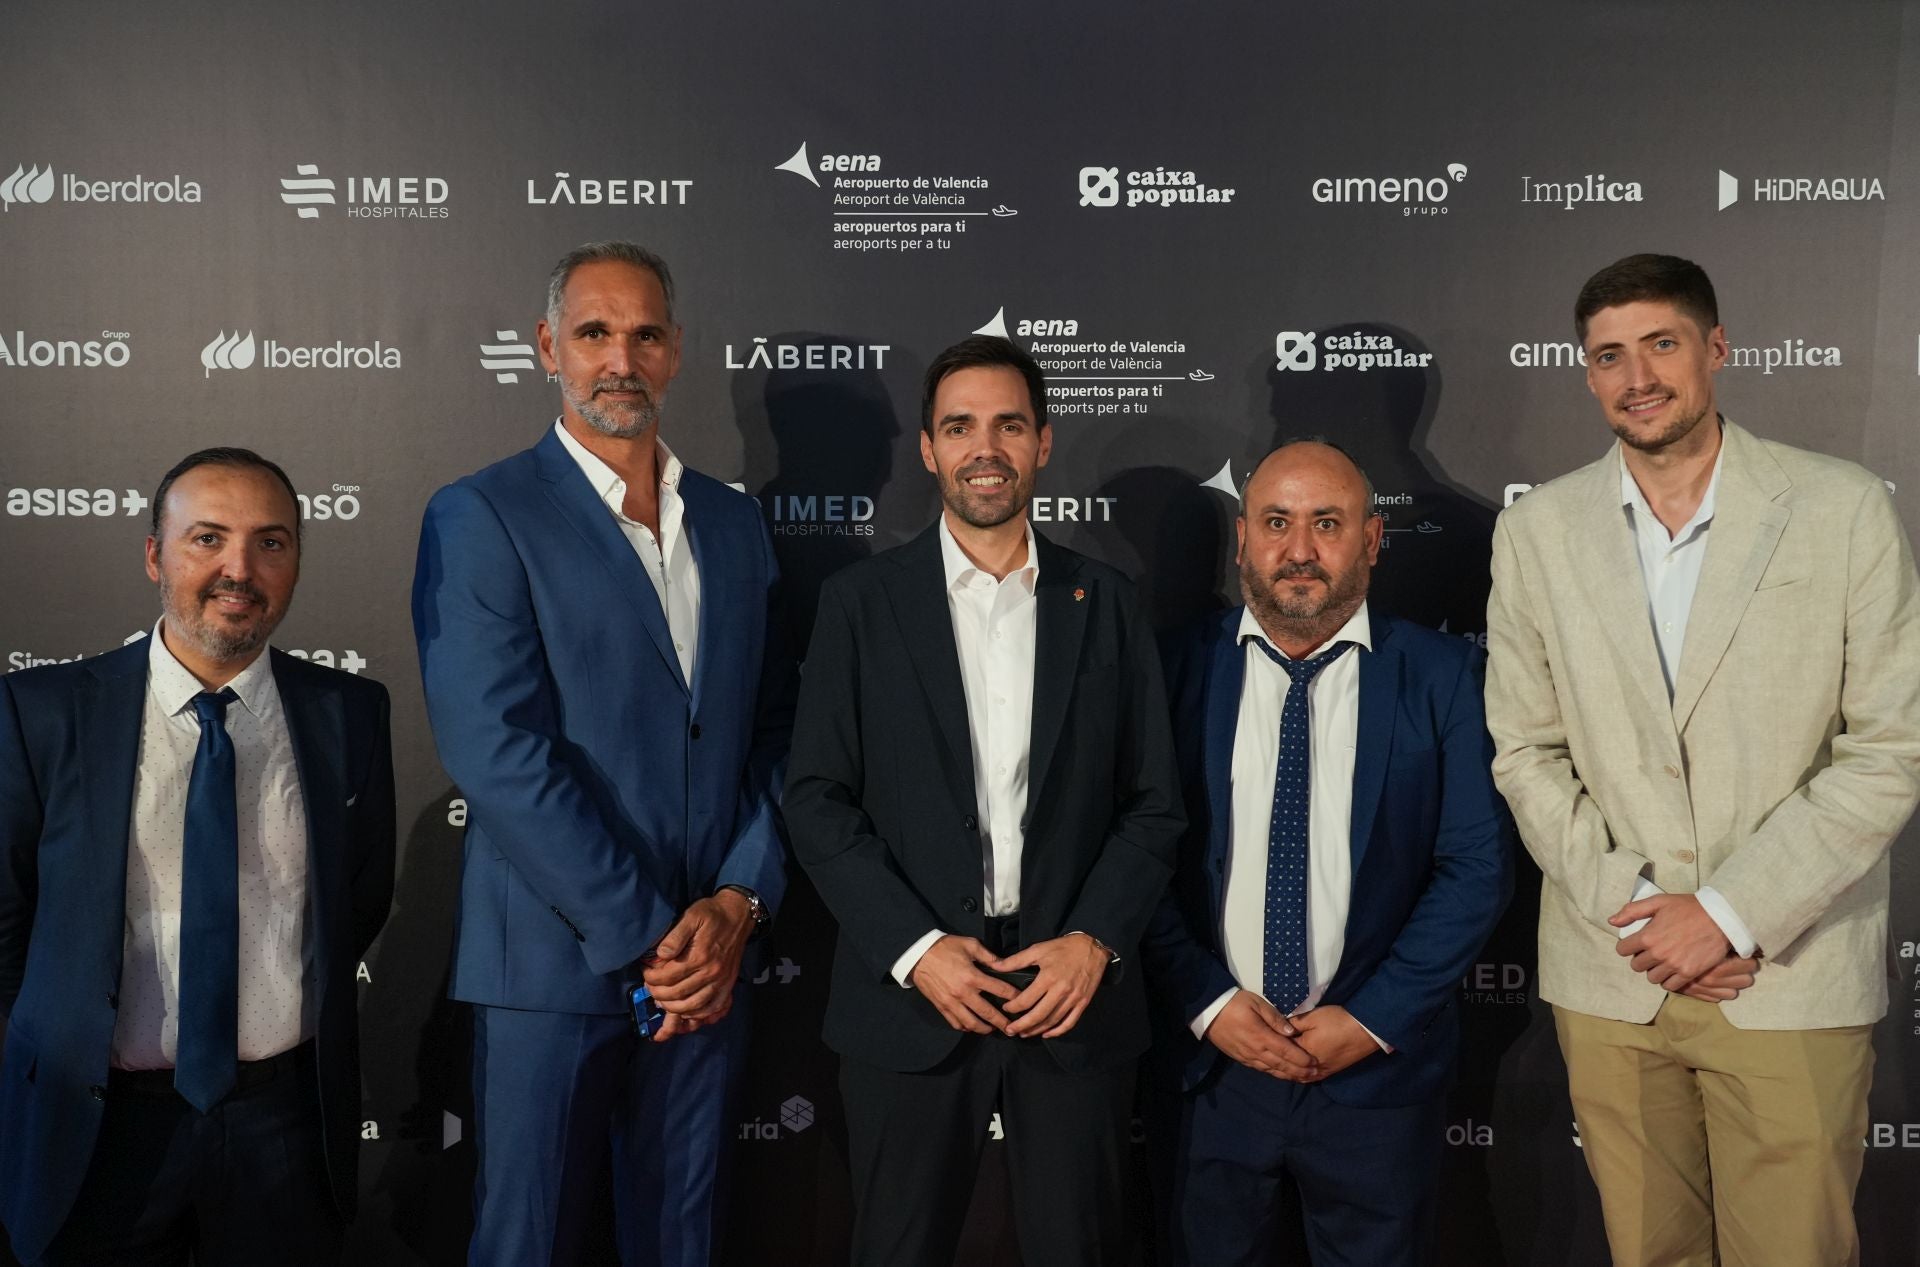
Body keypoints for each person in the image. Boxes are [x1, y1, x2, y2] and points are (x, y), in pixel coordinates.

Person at [1485, 253, 1920, 1267]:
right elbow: (1526, 748)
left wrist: (1728, 913)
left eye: (1661, 344)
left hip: (1791, 970)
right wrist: (1640, 908)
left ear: (1715, 349)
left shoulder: (1842, 507)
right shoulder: (1538, 531)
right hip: (1614, 969)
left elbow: (1889, 745)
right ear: (1586, 373)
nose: (1637, 375)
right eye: (1608, 356)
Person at [411, 240, 790, 1266]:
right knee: (525, 1242)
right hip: (551, 962)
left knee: (683, 1241)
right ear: (547, 348)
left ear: (673, 355)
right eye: (594, 333)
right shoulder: (482, 512)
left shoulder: (734, 522)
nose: (620, 357)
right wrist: (649, 935)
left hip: (709, 966)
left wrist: (737, 905)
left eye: (645, 334)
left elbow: (771, 733)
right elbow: (496, 748)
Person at [784, 335, 1184, 1266]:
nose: (985, 447)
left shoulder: (1111, 602)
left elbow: (1155, 803)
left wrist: (1095, 941)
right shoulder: (859, 603)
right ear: (927, 449)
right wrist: (918, 951)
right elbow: (815, 798)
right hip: (914, 1001)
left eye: (1008, 423)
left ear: (1043, 441)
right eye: (959, 426)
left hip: (1071, 1000)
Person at [0, 448, 395, 1266]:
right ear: (155, 555)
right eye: (207, 538)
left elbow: (357, 899)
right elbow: (9, 921)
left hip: (282, 1125)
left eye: (270, 543)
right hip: (100, 1128)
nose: (238, 570)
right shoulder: (42, 713)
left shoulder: (349, 712)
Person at [1144, 440, 1510, 1265]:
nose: (1299, 549)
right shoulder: (1170, 671)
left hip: (1375, 1080)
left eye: (1327, 523)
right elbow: (1136, 860)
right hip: (1212, 1072)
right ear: (1242, 538)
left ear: (1373, 540)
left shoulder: (1446, 676)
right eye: (1276, 522)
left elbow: (1475, 868)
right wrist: (1208, 1002)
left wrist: (1373, 1017)